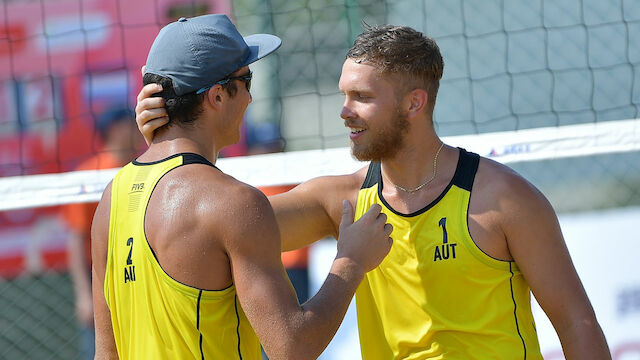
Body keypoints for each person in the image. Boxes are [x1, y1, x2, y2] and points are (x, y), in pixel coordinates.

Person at [135, 23, 611, 359]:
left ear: (414, 103)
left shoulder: (504, 199)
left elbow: (577, 324)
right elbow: (211, 224)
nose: (344, 111)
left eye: (361, 97)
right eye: (344, 94)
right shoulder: (339, 200)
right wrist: (175, 138)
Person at [91, 14, 393, 360]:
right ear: (217, 96)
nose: (250, 98)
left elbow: (106, 354)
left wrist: (164, 144)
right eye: (245, 80)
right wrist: (351, 261)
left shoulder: (111, 199)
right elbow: (292, 346)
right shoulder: (232, 203)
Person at [61, 107, 138, 359]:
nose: (138, 128)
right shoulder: (89, 175)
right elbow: (75, 239)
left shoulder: (144, 168)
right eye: (132, 123)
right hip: (103, 286)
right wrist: (84, 295)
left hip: (139, 282)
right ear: (115, 130)